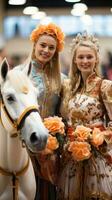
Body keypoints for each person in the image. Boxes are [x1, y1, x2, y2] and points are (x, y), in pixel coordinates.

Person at [57, 32, 112, 199]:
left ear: (96, 59)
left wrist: (101, 136)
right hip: (71, 155)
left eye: (89, 57)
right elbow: (65, 120)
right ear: (75, 60)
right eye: (81, 57)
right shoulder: (68, 87)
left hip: (98, 156)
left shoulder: (105, 86)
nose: (85, 61)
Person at [27, 23, 65, 200]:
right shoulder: (21, 74)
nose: (46, 50)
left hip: (52, 146)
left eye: (51, 47)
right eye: (43, 45)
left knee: (48, 191)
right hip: (26, 144)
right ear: (34, 44)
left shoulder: (62, 79)